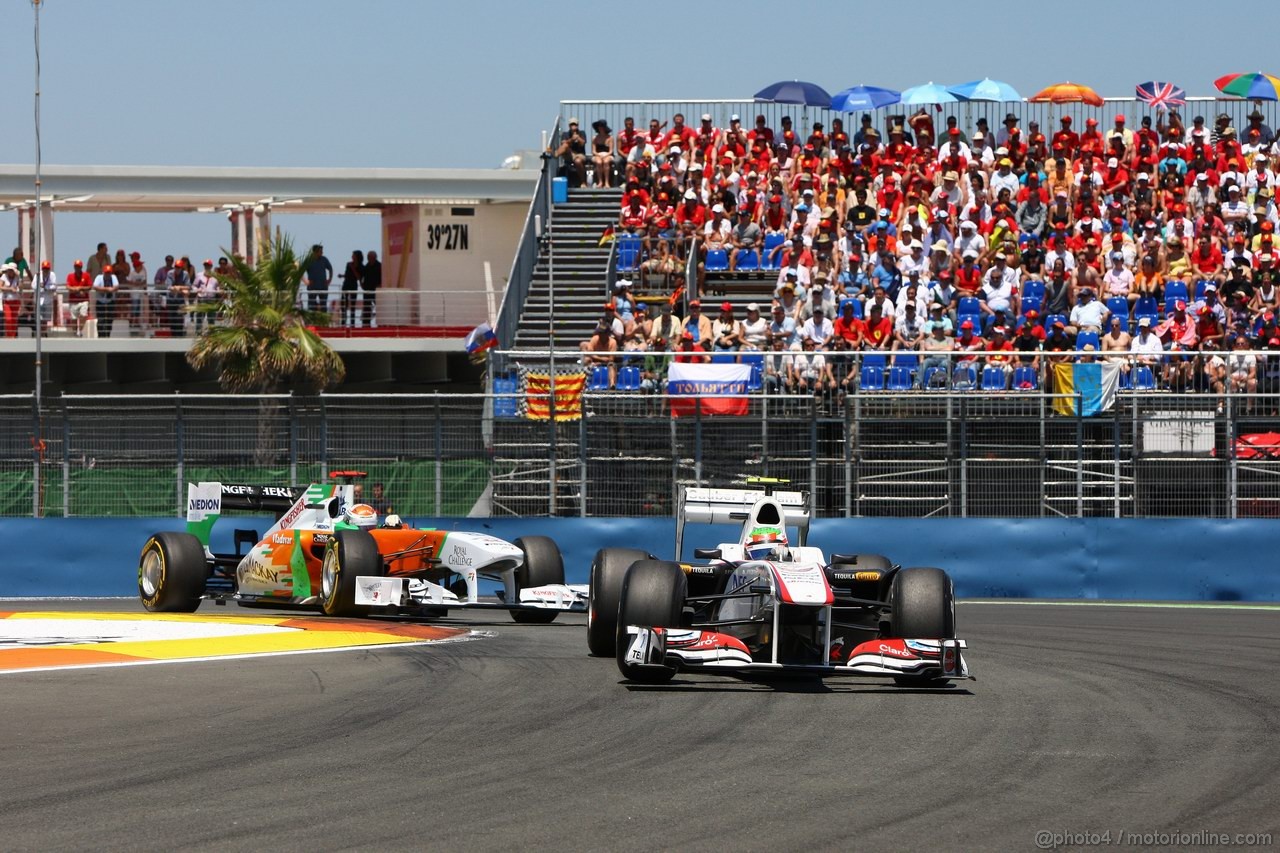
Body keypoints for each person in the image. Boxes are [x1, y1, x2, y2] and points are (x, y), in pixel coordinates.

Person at [65, 260, 93, 336]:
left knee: (83, 315)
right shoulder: (70, 276)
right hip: (73, 301)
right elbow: (68, 287)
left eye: (79, 266)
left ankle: (80, 330)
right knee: (74, 319)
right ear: (74, 267)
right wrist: (77, 290)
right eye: (76, 266)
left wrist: (81, 288)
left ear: (81, 267)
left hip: (83, 300)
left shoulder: (86, 275)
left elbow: (90, 286)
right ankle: (75, 333)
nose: (77, 268)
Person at [303, 244, 333, 313]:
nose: (322, 253)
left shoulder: (324, 259)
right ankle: (311, 322)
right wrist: (305, 281)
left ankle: (323, 322)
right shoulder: (308, 260)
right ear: (315, 252)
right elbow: (301, 271)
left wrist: (329, 279)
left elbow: (330, 268)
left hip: (323, 286)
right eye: (320, 251)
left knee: (323, 306)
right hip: (312, 286)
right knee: (311, 306)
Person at [341, 250, 363, 327]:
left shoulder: (361, 266)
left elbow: (358, 277)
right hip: (346, 285)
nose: (352, 257)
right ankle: (343, 323)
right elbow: (347, 275)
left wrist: (353, 268)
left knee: (353, 305)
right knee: (343, 304)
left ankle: (352, 324)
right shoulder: (348, 264)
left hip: (353, 285)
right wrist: (342, 276)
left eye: (353, 255)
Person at [361, 250, 381, 328]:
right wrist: (361, 284)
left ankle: (380, 323)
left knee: (378, 306)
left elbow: (382, 277)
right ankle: (366, 324)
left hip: (376, 290)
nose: (368, 258)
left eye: (369, 256)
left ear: (374, 257)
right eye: (368, 257)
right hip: (367, 290)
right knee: (366, 307)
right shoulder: (367, 266)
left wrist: (379, 286)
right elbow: (362, 276)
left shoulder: (379, 266)